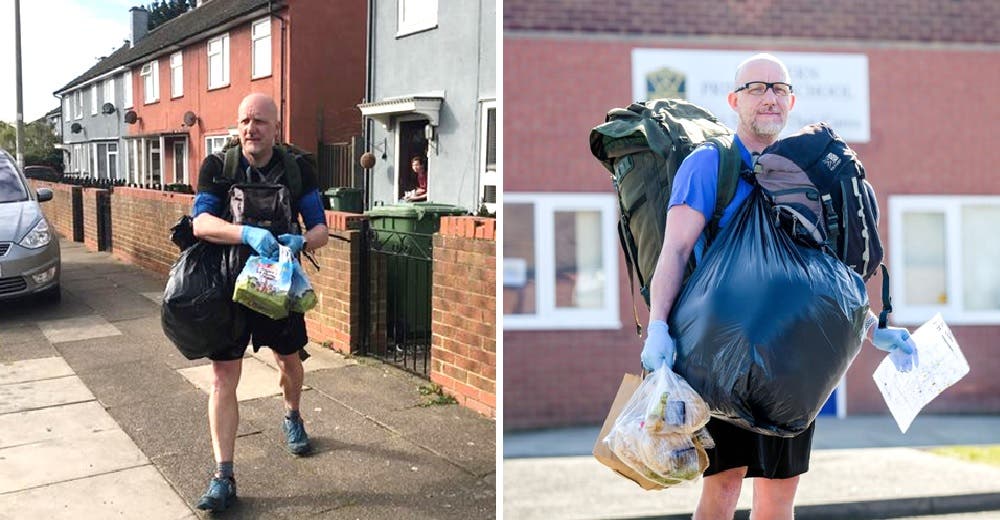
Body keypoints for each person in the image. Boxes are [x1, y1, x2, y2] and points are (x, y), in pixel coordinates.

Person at [639, 53, 918, 520]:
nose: (769, 97)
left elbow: (820, 278)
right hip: (720, 358)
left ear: (792, 101)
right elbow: (675, 251)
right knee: (722, 491)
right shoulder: (711, 164)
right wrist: (658, 328)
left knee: (778, 497)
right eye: (756, 88)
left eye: (779, 89)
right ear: (733, 100)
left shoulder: (802, 173)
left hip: (792, 363)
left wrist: (874, 328)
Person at [190, 92, 329, 512]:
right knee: (222, 377)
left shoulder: (297, 168)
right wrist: (246, 233)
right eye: (245, 121)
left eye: (260, 121)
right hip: (228, 284)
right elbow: (201, 222)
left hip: (278, 284)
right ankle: (223, 475)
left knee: (289, 363)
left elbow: (321, 228)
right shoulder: (219, 166)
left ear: (276, 128)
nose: (251, 128)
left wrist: (300, 238)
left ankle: (292, 415)